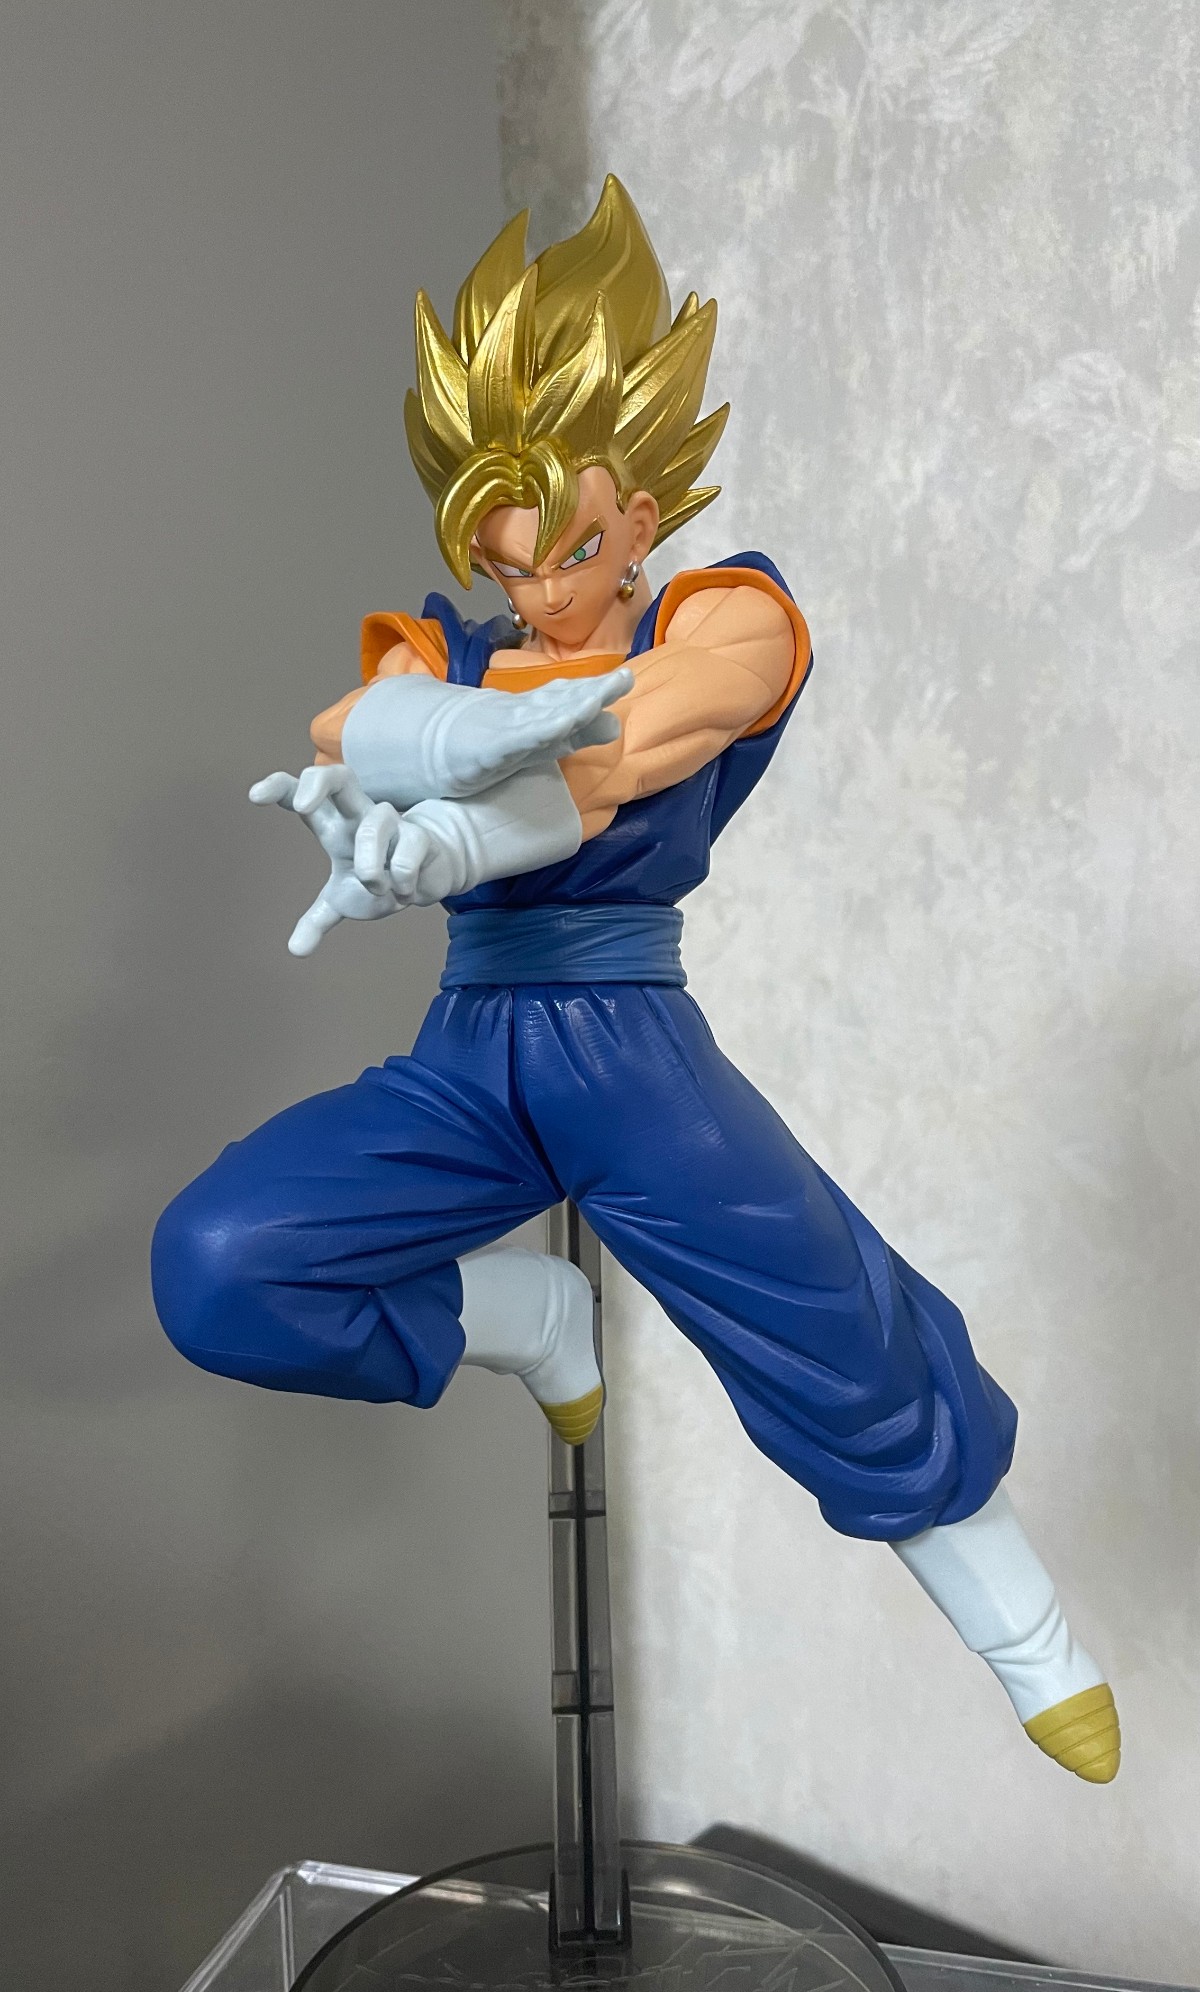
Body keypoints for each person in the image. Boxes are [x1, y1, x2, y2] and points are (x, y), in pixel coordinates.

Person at [152, 178, 1119, 1782]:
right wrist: (430, 771)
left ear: (641, 511)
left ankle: (1028, 1636)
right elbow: (350, 723)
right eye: (507, 563)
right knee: (220, 1261)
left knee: (834, 1323)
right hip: (469, 1054)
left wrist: (476, 811)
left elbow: (660, 725)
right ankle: (526, 1314)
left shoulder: (723, 610)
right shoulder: (454, 653)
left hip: (631, 1050)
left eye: (572, 552)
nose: (539, 593)